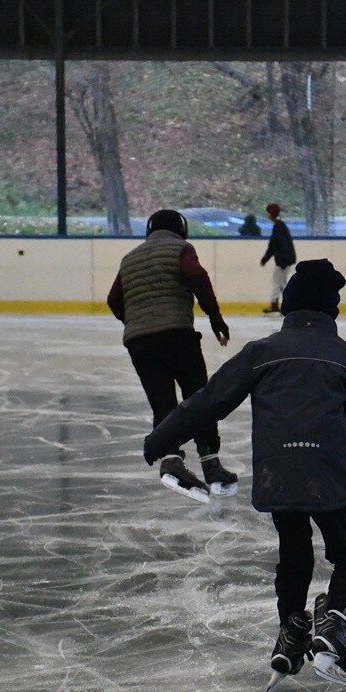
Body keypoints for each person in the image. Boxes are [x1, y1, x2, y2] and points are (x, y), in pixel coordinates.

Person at [143, 259, 346, 691]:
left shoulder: (261, 353)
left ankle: (293, 632)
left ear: (289, 306)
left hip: (279, 474)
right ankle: (333, 620)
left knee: (294, 554)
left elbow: (208, 401)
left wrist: (162, 439)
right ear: (332, 311)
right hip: (333, 476)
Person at [107, 208, 238, 503]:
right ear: (182, 229)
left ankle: (170, 459)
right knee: (199, 398)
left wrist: (137, 322)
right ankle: (211, 463)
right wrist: (215, 318)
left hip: (139, 342)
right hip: (177, 335)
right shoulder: (181, 248)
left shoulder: (130, 258)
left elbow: (114, 300)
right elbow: (196, 277)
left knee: (162, 402)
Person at [259, 202, 296, 314]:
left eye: (268, 212)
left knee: (277, 282)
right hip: (285, 259)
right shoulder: (278, 226)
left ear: (270, 213)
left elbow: (283, 244)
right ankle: (289, 304)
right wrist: (265, 259)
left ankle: (276, 304)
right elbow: (272, 246)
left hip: (283, 260)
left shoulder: (279, 227)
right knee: (281, 283)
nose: (267, 214)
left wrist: (283, 261)